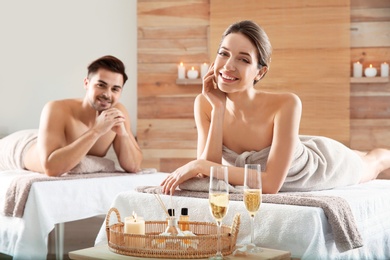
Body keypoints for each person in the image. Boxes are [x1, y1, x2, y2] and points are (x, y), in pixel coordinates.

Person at [161, 20, 390, 195]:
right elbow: (208, 173)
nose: (228, 66)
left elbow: (270, 184)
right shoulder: (205, 103)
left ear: (260, 72)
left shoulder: (287, 103)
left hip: (315, 168)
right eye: (224, 54)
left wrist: (199, 164)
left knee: (373, 162)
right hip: (290, 149)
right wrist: (218, 111)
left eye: (243, 59)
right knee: (362, 154)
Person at [21, 55, 142, 176]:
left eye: (115, 89)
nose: (107, 94)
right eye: (101, 85)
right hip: (22, 147)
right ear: (86, 83)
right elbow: (51, 169)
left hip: (46, 138)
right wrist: (97, 131)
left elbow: (134, 166)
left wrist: (124, 135)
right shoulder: (57, 109)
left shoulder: (118, 112)